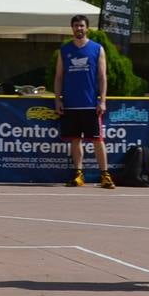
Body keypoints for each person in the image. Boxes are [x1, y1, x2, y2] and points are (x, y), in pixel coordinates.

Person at [53, 15, 114, 189]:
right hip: (71, 103)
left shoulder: (97, 48)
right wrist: (58, 100)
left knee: (97, 140)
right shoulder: (64, 50)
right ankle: (78, 174)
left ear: (87, 28)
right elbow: (58, 77)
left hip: (90, 103)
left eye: (81, 26)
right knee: (75, 140)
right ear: (72, 28)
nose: (79, 28)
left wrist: (102, 100)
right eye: (75, 26)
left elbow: (102, 77)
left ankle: (105, 175)